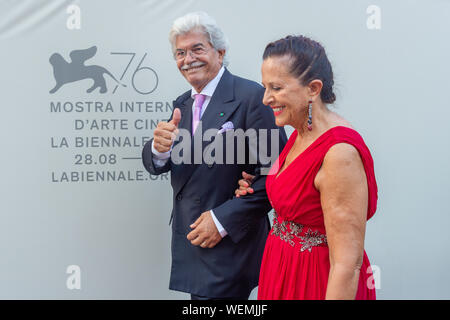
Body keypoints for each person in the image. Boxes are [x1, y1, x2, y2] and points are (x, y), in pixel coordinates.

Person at [142, 12, 287, 300]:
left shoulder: (252, 98)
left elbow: (274, 176)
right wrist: (159, 149)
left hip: (230, 246)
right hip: (193, 243)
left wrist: (221, 221)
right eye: (180, 53)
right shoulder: (182, 104)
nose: (188, 59)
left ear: (220, 53)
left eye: (197, 49)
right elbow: (157, 163)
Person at [235, 35, 378, 300]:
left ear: (313, 88)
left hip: (316, 282)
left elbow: (347, 266)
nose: (266, 99)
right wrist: (258, 186)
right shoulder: (300, 131)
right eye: (265, 87)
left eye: (276, 88)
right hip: (281, 268)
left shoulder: (339, 154)